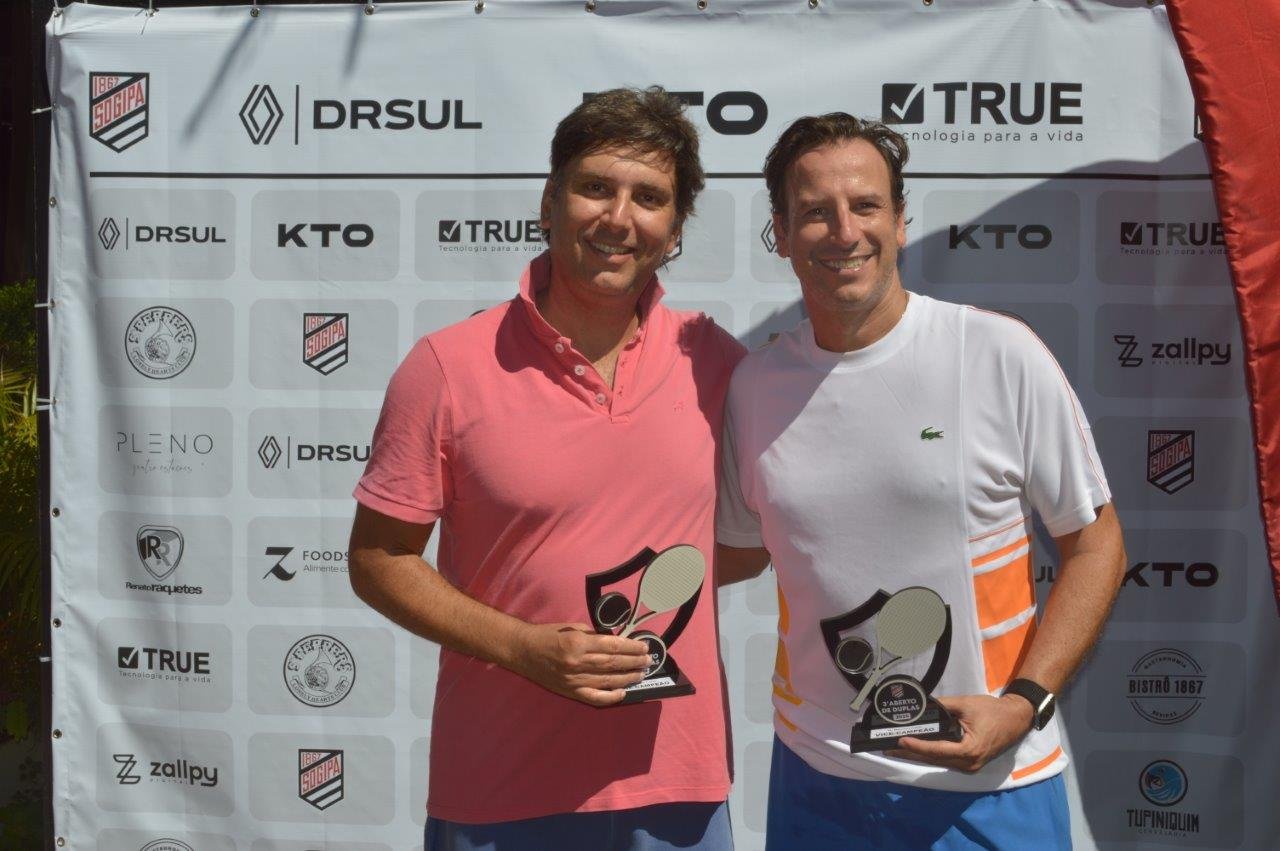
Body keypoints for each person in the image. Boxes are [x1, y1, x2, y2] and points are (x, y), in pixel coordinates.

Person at [348, 87, 744, 851]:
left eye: (649, 197)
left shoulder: (715, 362)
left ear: (675, 229)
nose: (618, 217)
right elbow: (377, 559)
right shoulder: (447, 366)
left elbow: (765, 535)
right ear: (549, 202)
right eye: (595, 186)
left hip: (679, 793)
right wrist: (523, 646)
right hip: (501, 790)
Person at [715, 113, 1125, 850]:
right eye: (816, 211)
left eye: (866, 205)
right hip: (817, 778)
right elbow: (739, 550)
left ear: (901, 222)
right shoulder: (755, 386)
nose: (845, 231)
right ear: (781, 233)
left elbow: (1098, 545)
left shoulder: (997, 353)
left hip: (991, 785)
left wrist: (1023, 704)